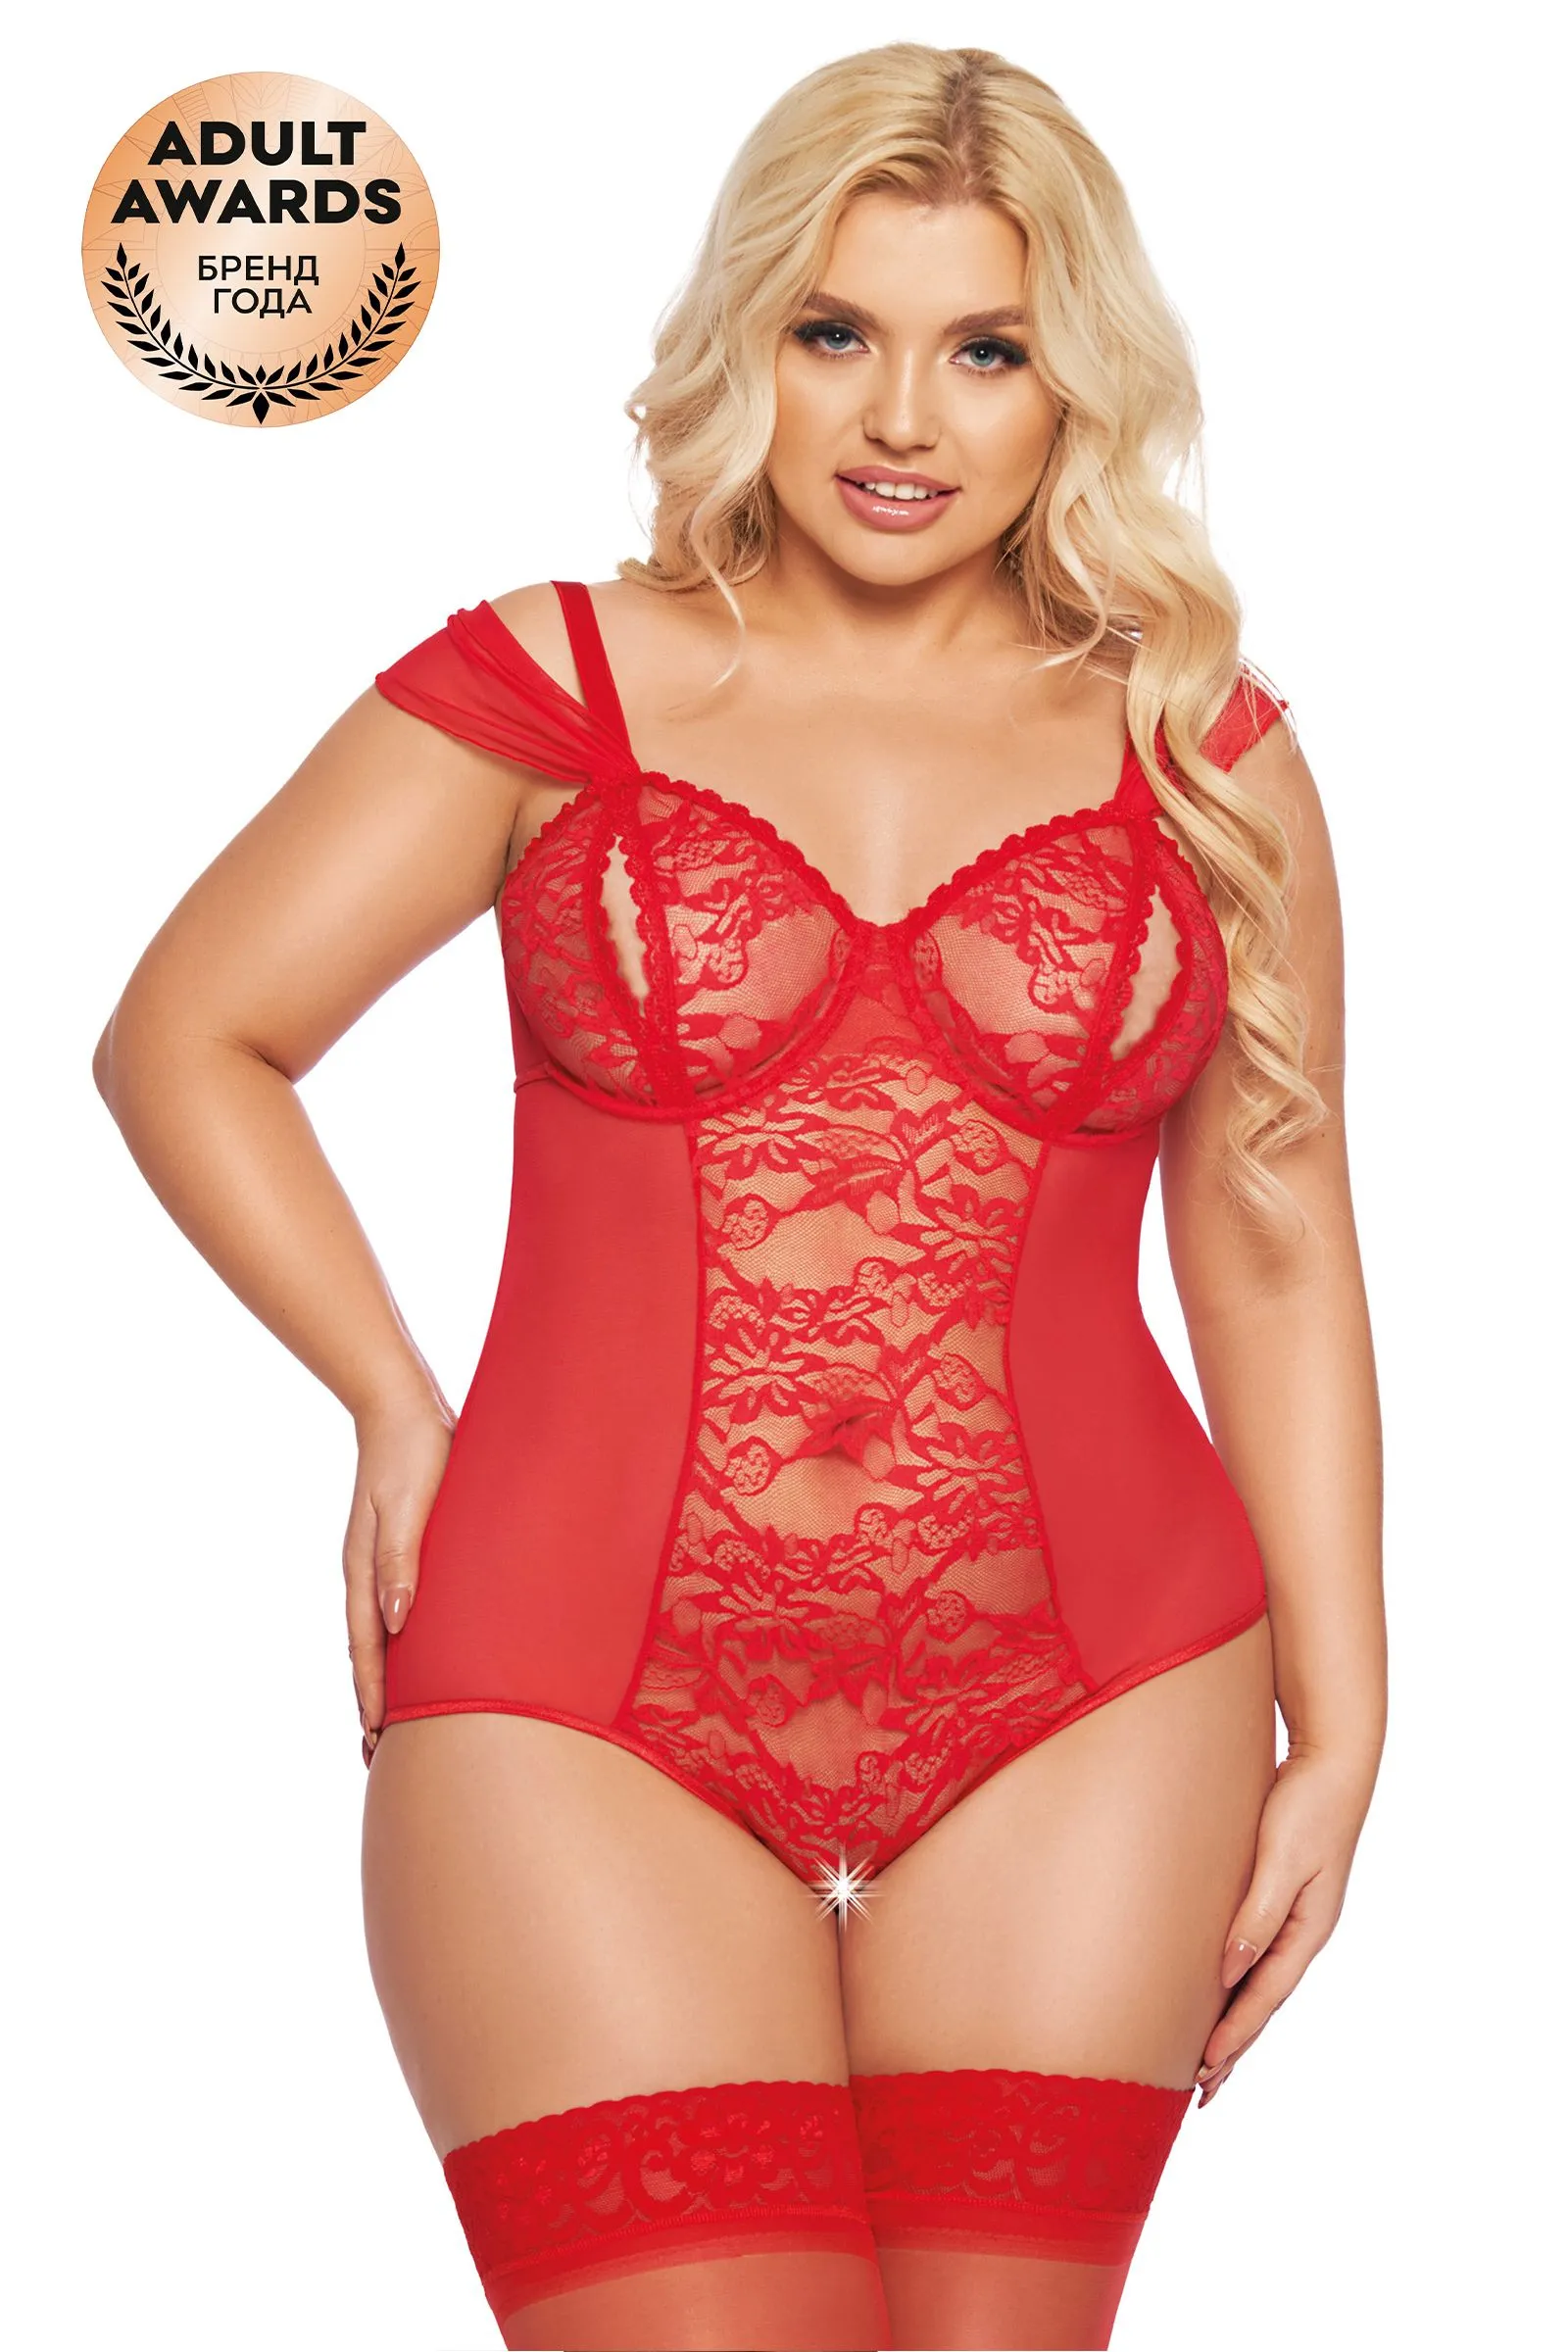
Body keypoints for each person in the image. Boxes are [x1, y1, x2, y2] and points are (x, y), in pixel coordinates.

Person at [92, 41, 1386, 2352]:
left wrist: (1350, 1720)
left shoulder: (1197, 749)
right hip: (571, 1684)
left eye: (983, 351)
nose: (899, 418)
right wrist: (391, 1400)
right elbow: (188, 1034)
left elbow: (1272, 1238)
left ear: (1071, 383)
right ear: (744, 344)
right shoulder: (554, 684)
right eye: (833, 331)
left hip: (1095, 1694)